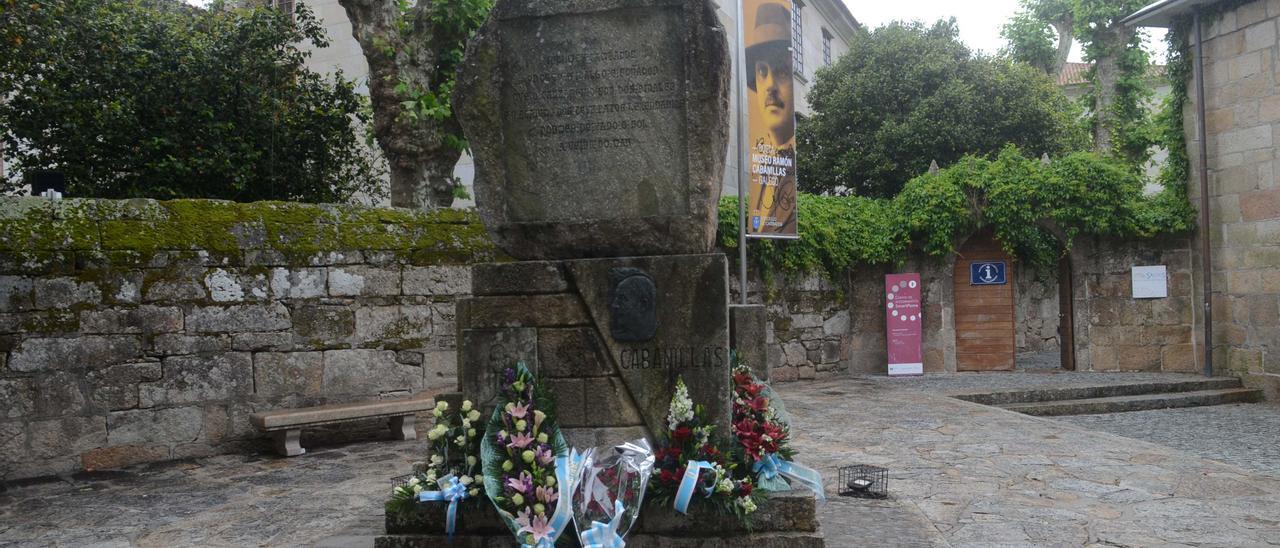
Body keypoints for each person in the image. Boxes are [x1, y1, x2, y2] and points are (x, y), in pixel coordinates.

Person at [745, 1, 797, 234]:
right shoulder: (763, 171)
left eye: (782, 71)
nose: (770, 87)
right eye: (762, 72)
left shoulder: (791, 167)